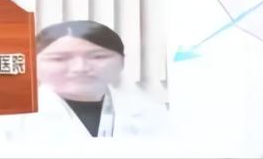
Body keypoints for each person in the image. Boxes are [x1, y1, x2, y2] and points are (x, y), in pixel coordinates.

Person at [28, 20, 169, 139]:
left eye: (98, 56)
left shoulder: (152, 112)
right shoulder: (18, 117)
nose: (80, 68)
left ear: (122, 61)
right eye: (59, 58)